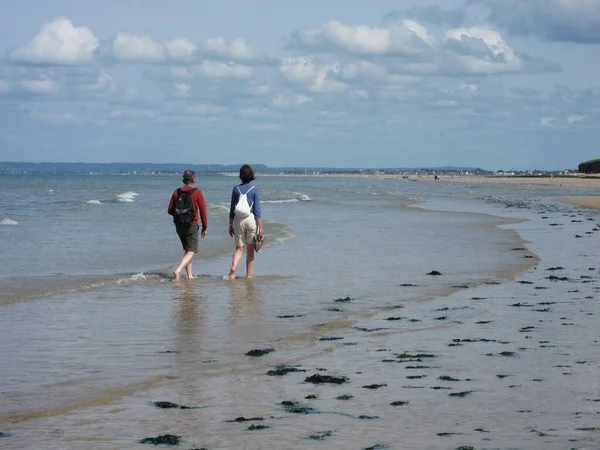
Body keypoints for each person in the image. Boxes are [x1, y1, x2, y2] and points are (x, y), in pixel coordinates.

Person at [168, 170, 208, 280]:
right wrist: (205, 226)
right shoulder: (197, 192)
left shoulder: (176, 192)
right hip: (192, 224)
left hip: (179, 224)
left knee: (187, 249)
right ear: (194, 180)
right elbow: (203, 210)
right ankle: (178, 270)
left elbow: (170, 210)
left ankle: (189, 276)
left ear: (183, 180)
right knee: (191, 250)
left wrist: (181, 214)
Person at [225, 164, 263, 280]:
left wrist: (230, 225)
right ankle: (249, 276)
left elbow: (232, 209)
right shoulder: (255, 189)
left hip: (238, 220)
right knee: (250, 251)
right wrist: (260, 227)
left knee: (239, 248)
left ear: (240, 175)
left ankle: (233, 267)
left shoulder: (235, 189)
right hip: (250, 219)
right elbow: (257, 210)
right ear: (251, 175)